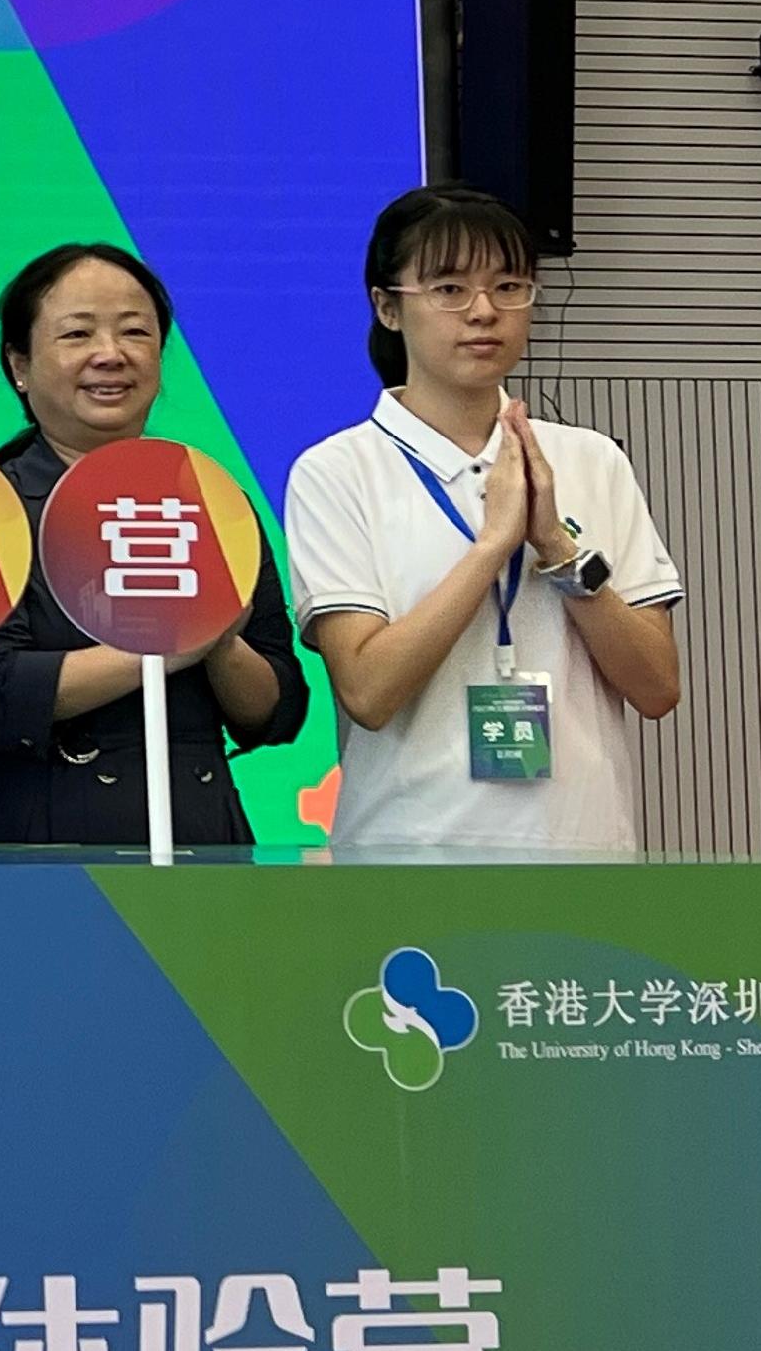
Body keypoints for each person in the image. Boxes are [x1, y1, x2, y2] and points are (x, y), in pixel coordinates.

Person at [284, 184, 681, 853]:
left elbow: (657, 686)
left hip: (580, 849)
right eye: (448, 289)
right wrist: (492, 546)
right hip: (409, 853)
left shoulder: (590, 460)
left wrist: (557, 550)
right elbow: (369, 691)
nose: (484, 312)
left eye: (509, 286)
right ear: (387, 307)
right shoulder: (337, 471)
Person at [0, 242, 308, 848]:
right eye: (77, 334)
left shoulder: (213, 501)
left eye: (135, 333)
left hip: (196, 826)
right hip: (36, 835)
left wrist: (220, 647)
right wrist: (173, 645)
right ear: (19, 365)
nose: (110, 355)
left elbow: (278, 709)